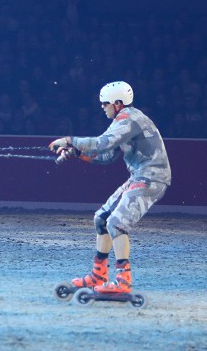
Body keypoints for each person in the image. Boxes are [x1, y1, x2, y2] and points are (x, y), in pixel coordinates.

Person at [49, 81, 171, 294]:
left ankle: (123, 281)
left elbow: (101, 143)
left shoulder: (129, 119)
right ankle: (98, 275)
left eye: (105, 103)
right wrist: (77, 152)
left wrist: (69, 140)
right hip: (139, 177)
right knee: (102, 219)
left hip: (152, 178)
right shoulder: (122, 121)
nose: (102, 107)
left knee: (117, 223)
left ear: (117, 103)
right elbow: (105, 157)